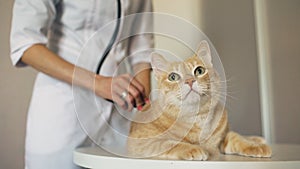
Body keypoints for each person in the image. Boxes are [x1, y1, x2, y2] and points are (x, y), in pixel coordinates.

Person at [10, 0, 154, 169]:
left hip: (120, 111)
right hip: (65, 108)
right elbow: (26, 45)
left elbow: (141, 47)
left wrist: (144, 108)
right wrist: (99, 83)